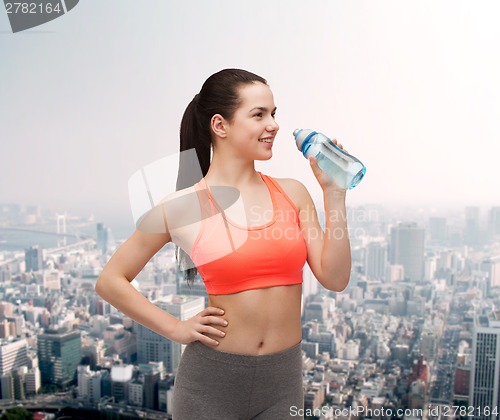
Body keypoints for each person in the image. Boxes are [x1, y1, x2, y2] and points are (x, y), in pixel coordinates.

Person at [95, 68, 352, 419]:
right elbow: (110, 280)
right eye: (259, 114)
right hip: (209, 387)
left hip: (284, 384)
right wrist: (177, 328)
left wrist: (334, 194)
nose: (273, 124)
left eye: (274, 113)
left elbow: (335, 278)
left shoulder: (293, 192)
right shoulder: (182, 206)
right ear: (220, 125)